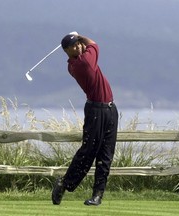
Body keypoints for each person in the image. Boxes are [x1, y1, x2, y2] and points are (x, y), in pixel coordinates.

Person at [51, 32, 118, 206]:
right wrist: (80, 35)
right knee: (88, 151)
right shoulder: (83, 63)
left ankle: (97, 195)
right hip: (96, 110)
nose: (79, 46)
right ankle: (64, 183)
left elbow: (89, 46)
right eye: (74, 45)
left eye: (79, 43)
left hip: (110, 109)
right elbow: (94, 44)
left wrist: (78, 38)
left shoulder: (75, 62)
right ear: (67, 51)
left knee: (106, 154)